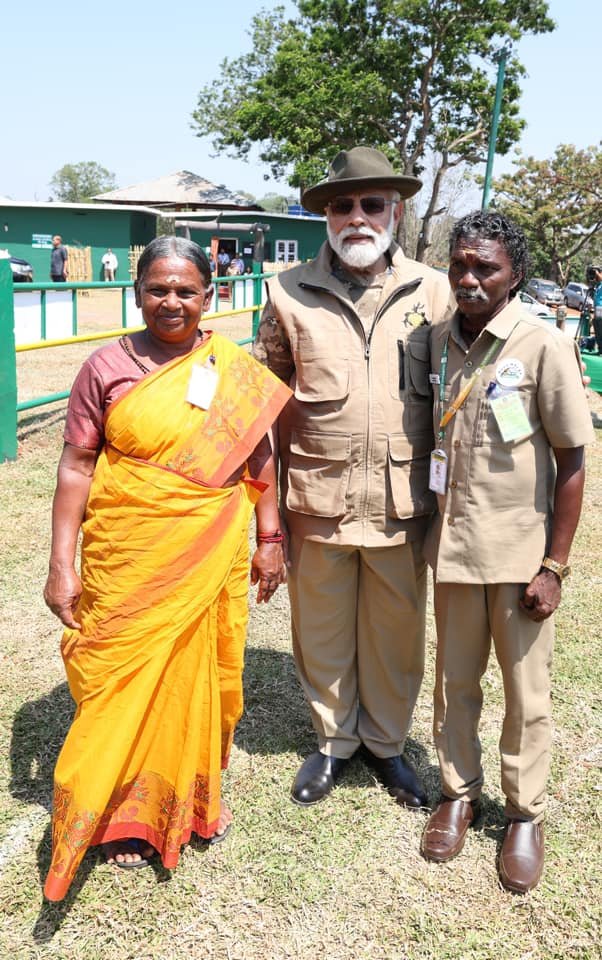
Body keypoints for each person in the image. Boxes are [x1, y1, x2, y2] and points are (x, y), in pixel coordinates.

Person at [42, 236, 291, 901]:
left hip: (206, 548)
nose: (171, 301)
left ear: (210, 295)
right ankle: (115, 806)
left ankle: (181, 798)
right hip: (127, 552)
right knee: (119, 676)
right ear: (137, 293)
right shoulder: (105, 367)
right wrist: (60, 564)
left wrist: (271, 534)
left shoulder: (230, 368)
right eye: (158, 288)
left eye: (186, 290)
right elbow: (75, 467)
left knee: (192, 673)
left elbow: (258, 453)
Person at [253, 146, 453, 809]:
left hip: (403, 499)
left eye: (373, 204)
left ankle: (387, 745)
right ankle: (335, 742)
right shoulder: (286, 291)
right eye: (344, 205)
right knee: (322, 629)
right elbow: (263, 403)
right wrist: (270, 519)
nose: (358, 217)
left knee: (396, 633)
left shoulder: (433, 289)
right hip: (317, 496)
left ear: (394, 210)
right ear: (326, 216)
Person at [420, 211, 594, 893]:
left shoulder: (543, 343)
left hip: (521, 555)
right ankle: (458, 793)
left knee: (526, 695)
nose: (468, 278)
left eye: (484, 267)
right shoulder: (436, 342)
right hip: (455, 548)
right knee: (454, 685)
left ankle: (524, 814)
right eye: (460, 264)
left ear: (514, 273)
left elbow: (573, 460)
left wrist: (554, 566)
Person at [592, 266, 602, 353]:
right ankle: (600, 348)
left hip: (600, 308)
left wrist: (597, 272)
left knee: (600, 326)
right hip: (597, 308)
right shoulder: (598, 285)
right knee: (596, 326)